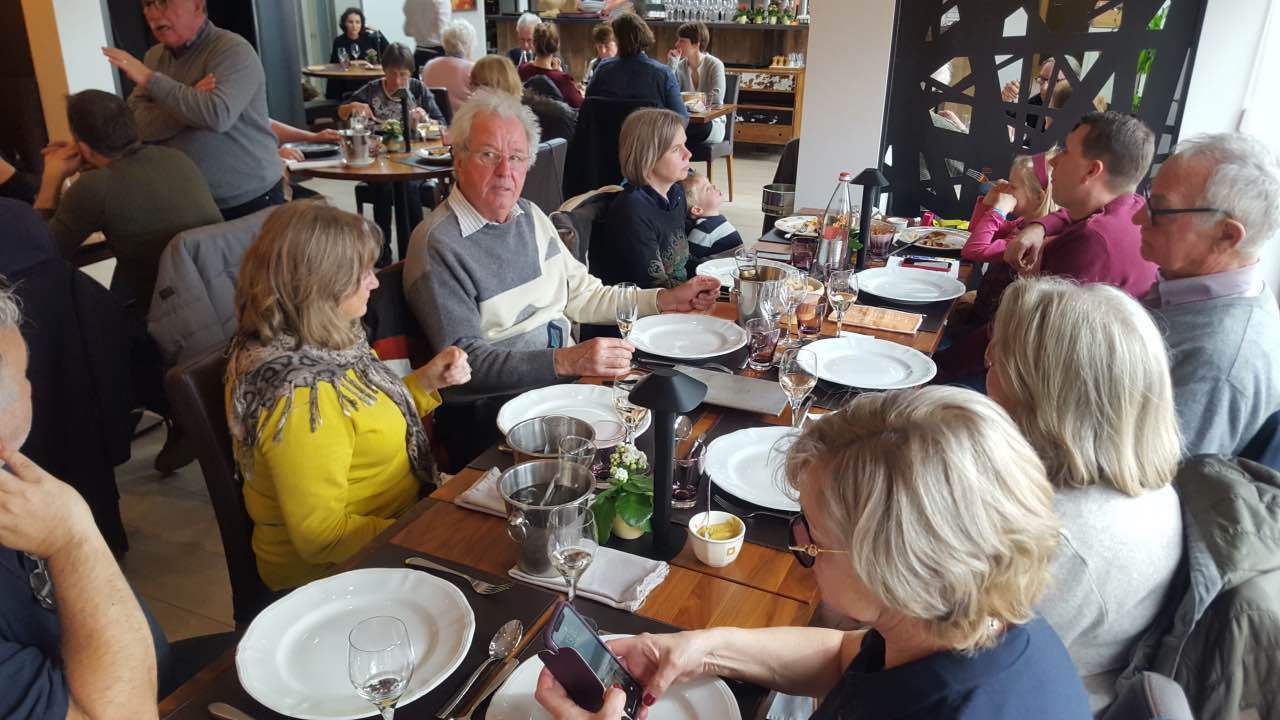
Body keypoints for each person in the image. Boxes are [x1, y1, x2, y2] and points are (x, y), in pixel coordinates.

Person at [536, 387, 1091, 720]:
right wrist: (703, 651)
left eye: (813, 535)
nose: (799, 545)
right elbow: (847, 657)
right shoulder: (958, 621)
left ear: (894, 568)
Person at [402, 90, 718, 468]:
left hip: (566, 392)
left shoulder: (530, 215)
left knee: (682, 434)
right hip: (495, 419)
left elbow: (583, 294)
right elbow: (464, 367)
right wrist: (566, 360)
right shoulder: (439, 244)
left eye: (516, 157)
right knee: (654, 456)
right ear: (458, 158)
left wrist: (665, 299)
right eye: (489, 154)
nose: (505, 170)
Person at [226, 201, 471, 591]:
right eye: (363, 273)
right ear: (320, 285)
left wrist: (425, 382)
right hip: (335, 576)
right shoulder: (301, 398)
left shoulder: (326, 343)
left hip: (391, 526)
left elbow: (361, 424)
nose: (375, 283)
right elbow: (321, 538)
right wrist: (429, 528)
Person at [986, 277, 1183, 712]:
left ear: (1038, 394)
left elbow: (950, 661)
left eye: (997, 358)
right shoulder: (1139, 481)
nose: (988, 371)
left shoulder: (1059, 541)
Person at [0, 283, 162, 719]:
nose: (31, 388)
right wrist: (72, 539)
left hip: (145, 676)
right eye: (26, 376)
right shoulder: (48, 516)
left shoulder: (14, 485)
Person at [1136, 133, 1280, 455]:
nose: (1138, 218)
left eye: (1159, 209)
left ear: (1226, 235)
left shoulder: (1218, 364)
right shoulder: (1184, 286)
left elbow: (1153, 478)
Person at [33, 89, 222, 313]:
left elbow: (35, 252)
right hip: (218, 289)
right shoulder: (176, 157)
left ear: (83, 148)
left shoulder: (96, 187)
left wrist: (51, 179)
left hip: (168, 311)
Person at [104, 0, 282, 220]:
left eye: (163, 2)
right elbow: (135, 124)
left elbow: (216, 116)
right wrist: (190, 101)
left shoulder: (232, 50)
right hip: (189, 200)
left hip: (248, 197)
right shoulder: (154, 56)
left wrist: (150, 79)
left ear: (197, 5)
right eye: (148, 4)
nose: (153, 13)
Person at [1003, 111, 1158, 298]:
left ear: (1092, 170)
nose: (1053, 160)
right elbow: (1069, 215)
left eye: (1066, 151)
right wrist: (1039, 227)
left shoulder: (1090, 242)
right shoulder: (1135, 207)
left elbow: (1038, 315)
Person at [340, 43, 446, 261]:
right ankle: (382, 249)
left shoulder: (417, 89)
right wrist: (352, 108)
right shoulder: (371, 90)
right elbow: (341, 112)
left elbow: (442, 125)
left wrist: (425, 119)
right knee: (383, 186)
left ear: (411, 73)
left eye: (403, 75)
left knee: (409, 186)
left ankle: (415, 250)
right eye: (393, 74)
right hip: (380, 158)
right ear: (384, 70)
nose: (398, 81)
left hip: (414, 157)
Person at [592, 108, 692, 289]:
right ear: (649, 156)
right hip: (648, 302)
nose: (688, 154)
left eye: (684, 145)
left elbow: (681, 263)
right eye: (676, 149)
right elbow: (652, 286)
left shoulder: (675, 195)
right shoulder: (633, 210)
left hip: (678, 293)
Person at [584, 13, 685, 117]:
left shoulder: (602, 70)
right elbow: (681, 118)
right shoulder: (663, 74)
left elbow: (588, 106)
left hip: (608, 128)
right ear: (645, 36)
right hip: (647, 128)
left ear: (617, 41)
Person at [471, 54, 576, 144]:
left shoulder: (514, 117)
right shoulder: (525, 100)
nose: (472, 90)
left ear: (489, 86)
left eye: (474, 84)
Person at [667, 21, 725, 146]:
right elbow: (669, 94)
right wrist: (671, 66)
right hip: (686, 122)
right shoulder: (679, 66)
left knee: (674, 132)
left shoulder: (715, 65)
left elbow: (716, 98)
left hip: (711, 123)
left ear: (696, 44)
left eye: (682, 41)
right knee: (666, 128)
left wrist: (687, 103)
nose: (676, 44)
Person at [680, 171, 741, 269]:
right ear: (697, 209)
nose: (714, 186)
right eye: (708, 189)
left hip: (732, 269)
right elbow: (685, 261)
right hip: (723, 274)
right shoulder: (704, 231)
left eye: (710, 184)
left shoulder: (714, 222)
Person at [327, 7, 389, 99]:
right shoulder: (339, 41)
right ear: (344, 24)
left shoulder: (370, 38)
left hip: (369, 80)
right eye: (350, 22)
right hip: (348, 81)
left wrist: (378, 32)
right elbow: (334, 63)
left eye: (357, 22)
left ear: (362, 24)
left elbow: (388, 50)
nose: (354, 25)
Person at [518, 23, 584, 109]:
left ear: (533, 44)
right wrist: (560, 74)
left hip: (526, 117)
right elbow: (581, 106)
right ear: (557, 45)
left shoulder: (522, 70)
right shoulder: (562, 79)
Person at [422, 19, 477, 115]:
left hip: (435, 120)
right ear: (467, 45)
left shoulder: (429, 65)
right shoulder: (472, 69)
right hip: (463, 120)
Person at [404, 0, 451, 72]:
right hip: (438, 57)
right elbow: (443, 33)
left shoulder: (410, 1)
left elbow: (408, 31)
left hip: (418, 56)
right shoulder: (441, 1)